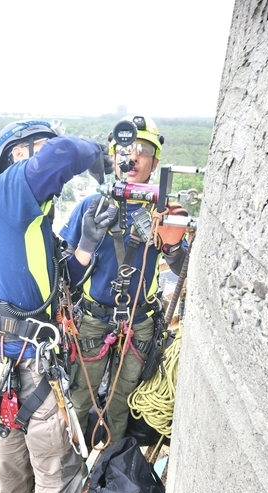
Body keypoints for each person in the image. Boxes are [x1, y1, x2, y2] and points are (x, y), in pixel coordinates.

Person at [0, 119, 112, 493]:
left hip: (5, 358)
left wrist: (87, 243)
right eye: (38, 149)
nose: (46, 156)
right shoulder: (10, 192)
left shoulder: (24, 220)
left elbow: (57, 282)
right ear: (20, 155)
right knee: (60, 470)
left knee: (10, 432)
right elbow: (62, 154)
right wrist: (97, 156)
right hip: (29, 360)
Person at [59, 114, 188, 447]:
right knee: (80, 396)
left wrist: (172, 245)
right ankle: (73, 463)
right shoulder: (91, 206)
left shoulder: (165, 212)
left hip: (140, 320)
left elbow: (183, 269)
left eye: (142, 150)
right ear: (114, 157)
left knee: (121, 402)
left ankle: (110, 470)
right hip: (93, 318)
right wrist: (86, 242)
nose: (132, 157)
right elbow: (63, 269)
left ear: (155, 161)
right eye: (125, 149)